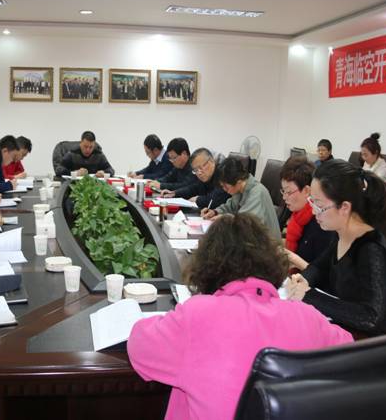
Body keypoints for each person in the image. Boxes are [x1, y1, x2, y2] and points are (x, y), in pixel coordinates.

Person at [128, 213, 352, 420]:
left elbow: (139, 345)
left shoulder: (197, 315)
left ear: (206, 264)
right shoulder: (307, 317)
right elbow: (350, 353)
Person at [286, 159, 386, 336]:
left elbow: (370, 317)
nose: (313, 211)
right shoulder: (341, 234)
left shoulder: (371, 249)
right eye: (312, 202)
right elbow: (319, 267)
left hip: (378, 343)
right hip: (346, 330)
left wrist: (309, 295)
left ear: (344, 207)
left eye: (319, 206)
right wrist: (303, 279)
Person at [202, 157, 281, 239]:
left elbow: (245, 222)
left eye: (226, 186)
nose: (224, 190)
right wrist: (215, 212)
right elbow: (230, 206)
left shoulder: (257, 193)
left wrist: (224, 218)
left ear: (238, 182)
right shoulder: (240, 189)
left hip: (265, 243)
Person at [281, 156, 335, 265]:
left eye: (288, 192)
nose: (284, 197)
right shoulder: (294, 213)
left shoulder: (321, 223)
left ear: (306, 190)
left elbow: (321, 270)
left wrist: (293, 259)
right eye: (283, 191)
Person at [165, 147, 230, 210]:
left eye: (201, 168)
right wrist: (175, 193)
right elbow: (194, 188)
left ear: (211, 161)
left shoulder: (223, 174)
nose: (199, 173)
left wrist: (197, 199)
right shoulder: (205, 177)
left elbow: (215, 199)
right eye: (195, 170)